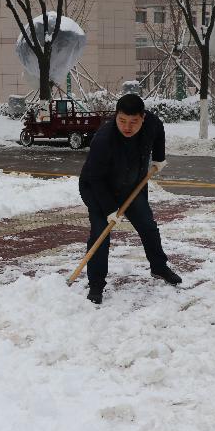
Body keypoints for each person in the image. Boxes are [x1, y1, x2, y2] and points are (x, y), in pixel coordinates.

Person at [78, 94, 181, 305]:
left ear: (143, 118)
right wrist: (109, 210)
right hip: (98, 190)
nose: (127, 127)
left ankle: (159, 267)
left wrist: (159, 158)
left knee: (148, 227)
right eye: (122, 121)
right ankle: (96, 284)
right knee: (100, 235)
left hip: (133, 186)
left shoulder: (152, 124)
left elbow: (159, 130)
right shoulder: (103, 139)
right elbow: (95, 179)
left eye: (134, 122)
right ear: (116, 116)